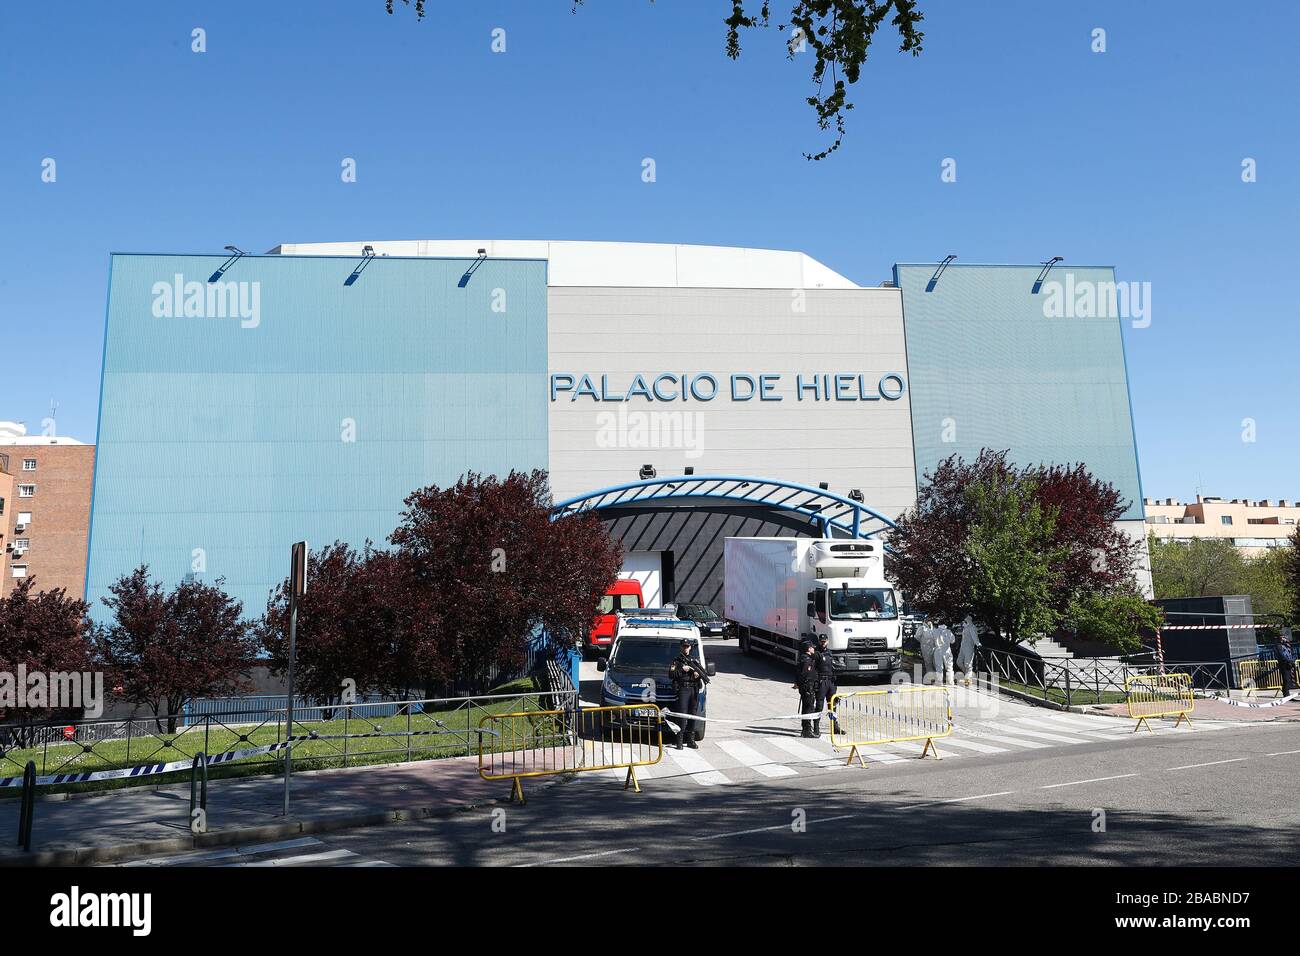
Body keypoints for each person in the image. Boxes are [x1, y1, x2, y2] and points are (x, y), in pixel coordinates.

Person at [668, 637, 709, 749]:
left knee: (692, 715)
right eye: (684, 646)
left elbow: (703, 673)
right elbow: (671, 675)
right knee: (682, 716)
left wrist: (698, 674)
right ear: (680, 647)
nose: (685, 648)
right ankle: (679, 742)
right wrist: (682, 669)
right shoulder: (677, 661)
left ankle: (691, 740)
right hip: (683, 690)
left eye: (687, 646)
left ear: (690, 648)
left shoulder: (694, 660)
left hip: (694, 689)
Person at [814, 634, 838, 737]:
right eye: (821, 641)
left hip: (830, 682)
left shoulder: (830, 653)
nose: (823, 643)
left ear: (827, 641)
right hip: (821, 682)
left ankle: (835, 727)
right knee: (819, 706)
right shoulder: (817, 653)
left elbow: (833, 667)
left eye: (824, 641)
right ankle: (816, 728)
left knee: (832, 705)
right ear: (819, 642)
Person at [795, 641, 820, 738]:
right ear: (809, 649)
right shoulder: (807, 660)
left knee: (807, 708)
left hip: (806, 687)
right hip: (807, 687)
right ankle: (807, 730)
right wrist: (804, 685)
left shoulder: (804, 658)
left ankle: (806, 730)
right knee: (808, 709)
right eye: (812, 647)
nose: (814, 649)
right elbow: (804, 675)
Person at [957, 615, 981, 680]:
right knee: (959, 662)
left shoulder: (972, 627)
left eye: (965, 620)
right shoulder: (965, 627)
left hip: (969, 647)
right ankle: (968, 674)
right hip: (963, 647)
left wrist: (978, 644)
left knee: (968, 664)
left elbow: (975, 637)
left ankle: (968, 678)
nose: (963, 621)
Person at [1275, 628, 1297, 696]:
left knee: (1289, 679)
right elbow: (1281, 655)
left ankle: (1287, 693)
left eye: (1284, 637)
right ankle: (1286, 694)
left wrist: (1292, 660)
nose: (1284, 638)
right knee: (1286, 679)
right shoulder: (1278, 646)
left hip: (1288, 663)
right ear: (1280, 638)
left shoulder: (1285, 645)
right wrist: (1289, 660)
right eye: (1283, 637)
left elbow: (1289, 653)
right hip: (1283, 664)